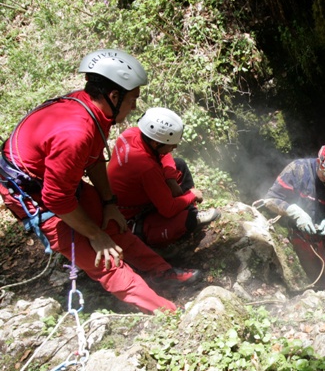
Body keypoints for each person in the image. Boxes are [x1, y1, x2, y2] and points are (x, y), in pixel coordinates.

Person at [0, 49, 199, 314]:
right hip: (32, 195)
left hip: (54, 183)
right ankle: (166, 311)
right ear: (114, 96)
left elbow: (94, 158)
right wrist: (96, 236)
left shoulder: (90, 109)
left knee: (116, 228)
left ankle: (161, 272)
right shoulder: (75, 132)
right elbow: (56, 199)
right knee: (104, 258)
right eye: (132, 100)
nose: (134, 108)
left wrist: (109, 203)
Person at [262, 138, 325, 307]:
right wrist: (295, 212)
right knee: (315, 277)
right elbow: (270, 199)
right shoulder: (298, 170)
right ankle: (322, 308)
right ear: (320, 160)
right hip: (301, 234)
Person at [107, 107, 220, 248]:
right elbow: (168, 209)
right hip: (131, 215)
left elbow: (163, 154)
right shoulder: (146, 167)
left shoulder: (132, 133)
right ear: (156, 143)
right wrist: (192, 195)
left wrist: (170, 179)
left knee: (179, 165)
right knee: (187, 220)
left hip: (135, 192)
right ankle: (188, 216)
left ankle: (189, 208)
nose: (175, 147)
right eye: (171, 144)